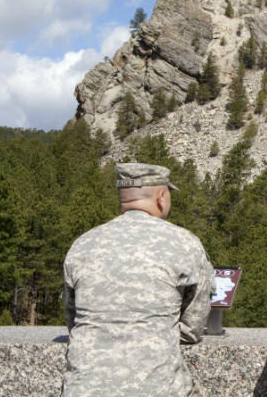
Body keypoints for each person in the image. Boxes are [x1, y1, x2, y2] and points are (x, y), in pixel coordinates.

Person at [62, 163, 215, 397]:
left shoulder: (82, 244)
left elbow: (74, 322)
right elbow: (192, 329)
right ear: (161, 197)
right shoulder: (185, 243)